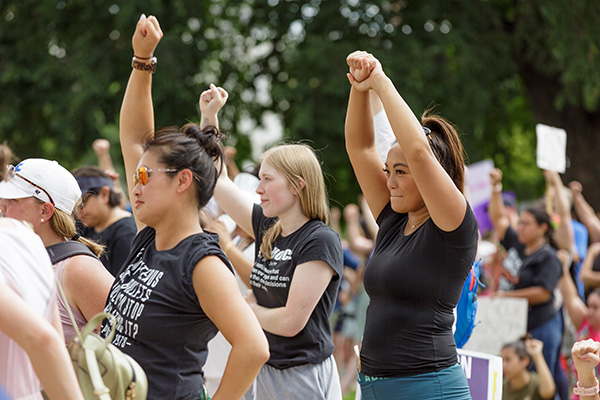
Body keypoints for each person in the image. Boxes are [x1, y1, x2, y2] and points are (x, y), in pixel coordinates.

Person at [101, 14, 269, 400]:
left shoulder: (202, 263)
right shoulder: (150, 238)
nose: (134, 185)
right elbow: (133, 139)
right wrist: (142, 60)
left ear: (182, 181)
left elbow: (254, 348)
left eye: (145, 177)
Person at [344, 51, 477, 399]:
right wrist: (359, 88)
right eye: (389, 171)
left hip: (428, 389)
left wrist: (380, 82)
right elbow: (360, 148)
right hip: (374, 387)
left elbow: (418, 152)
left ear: (432, 176)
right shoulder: (392, 219)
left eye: (400, 173)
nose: (389, 181)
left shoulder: (453, 225)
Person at [200, 83, 344, 399]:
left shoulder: (320, 240)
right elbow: (218, 180)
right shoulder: (268, 225)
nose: (259, 188)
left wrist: (245, 307)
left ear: (297, 185)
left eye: (268, 179)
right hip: (263, 365)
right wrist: (209, 117)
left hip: (300, 374)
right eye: (260, 177)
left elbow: (291, 322)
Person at [0, 158, 114, 344]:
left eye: (14, 199)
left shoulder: (78, 268)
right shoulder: (20, 255)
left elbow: (128, 341)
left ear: (46, 211)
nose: (2, 205)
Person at [489, 168, 563, 390]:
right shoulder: (518, 244)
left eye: (525, 224)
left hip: (542, 326)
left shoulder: (549, 257)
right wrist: (495, 188)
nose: (519, 227)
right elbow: (498, 219)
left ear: (542, 228)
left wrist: (507, 296)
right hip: (518, 325)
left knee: (542, 381)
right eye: (519, 223)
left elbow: (543, 292)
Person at [72, 166, 137, 276]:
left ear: (104, 194)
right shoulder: (88, 225)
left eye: (81, 203)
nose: (77, 211)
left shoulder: (126, 235)